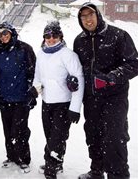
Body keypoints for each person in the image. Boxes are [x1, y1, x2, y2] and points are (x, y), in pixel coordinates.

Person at [73, 2, 138, 179]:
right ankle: (96, 171)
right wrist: (71, 80)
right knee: (93, 135)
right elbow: (77, 69)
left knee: (114, 138)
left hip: (114, 98)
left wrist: (112, 76)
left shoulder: (118, 35)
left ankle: (117, 175)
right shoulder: (79, 40)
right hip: (91, 98)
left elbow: (134, 64)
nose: (88, 20)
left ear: (98, 15)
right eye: (84, 16)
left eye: (91, 15)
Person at [31, 21, 84, 179]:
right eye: (48, 36)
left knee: (57, 136)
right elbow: (37, 76)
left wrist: (74, 108)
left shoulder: (68, 55)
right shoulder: (41, 53)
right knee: (50, 135)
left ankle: (51, 166)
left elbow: (78, 79)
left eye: (55, 35)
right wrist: (36, 88)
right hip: (47, 102)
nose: (51, 39)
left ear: (61, 36)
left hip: (63, 103)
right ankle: (57, 160)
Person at [0, 21, 36, 173]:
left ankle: (23, 158)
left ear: (11, 32)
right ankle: (11, 156)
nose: (3, 37)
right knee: (8, 129)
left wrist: (31, 92)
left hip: (22, 98)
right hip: (5, 98)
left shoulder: (24, 48)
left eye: (5, 33)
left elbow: (33, 71)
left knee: (20, 130)